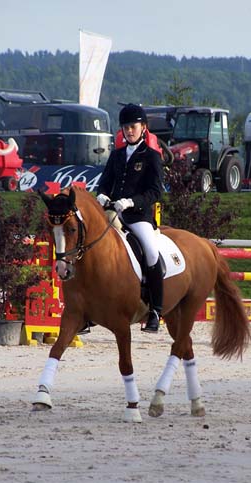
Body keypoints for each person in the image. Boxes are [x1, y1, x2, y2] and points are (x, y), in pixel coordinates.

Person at [96, 104, 164, 332]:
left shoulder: (152, 156)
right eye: (125, 127)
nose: (129, 131)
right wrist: (102, 196)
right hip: (113, 214)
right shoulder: (115, 156)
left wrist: (132, 201)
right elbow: (104, 183)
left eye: (133, 127)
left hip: (138, 216)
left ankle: (155, 310)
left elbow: (155, 192)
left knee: (152, 252)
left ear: (143, 128)